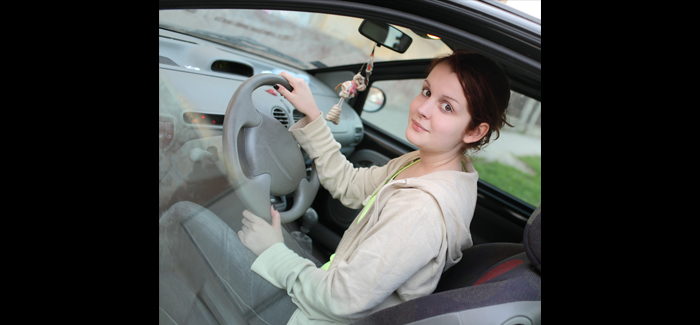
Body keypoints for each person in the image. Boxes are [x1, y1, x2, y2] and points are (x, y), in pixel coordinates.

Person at [235, 50, 513, 324]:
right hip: (322, 294)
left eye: (447, 106)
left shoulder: (421, 209)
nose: (422, 109)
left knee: (191, 216)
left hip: (314, 316)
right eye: (427, 92)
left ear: (474, 131)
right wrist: (312, 115)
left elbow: (340, 300)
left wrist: (274, 251)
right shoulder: (435, 164)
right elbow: (350, 184)